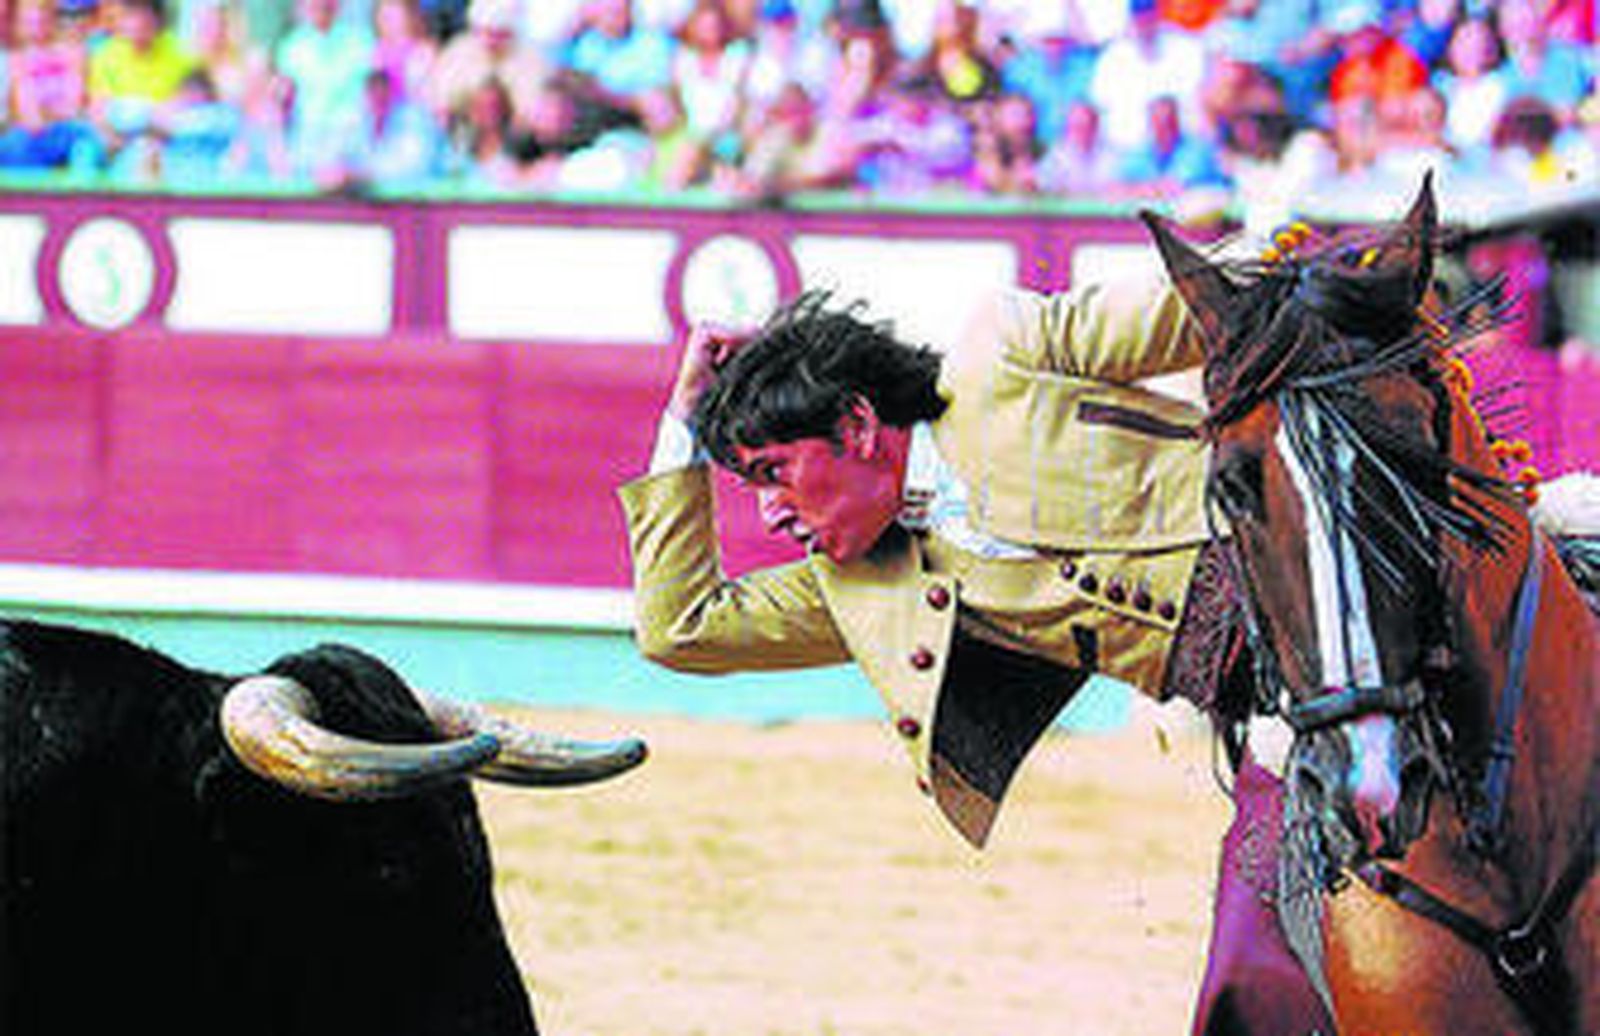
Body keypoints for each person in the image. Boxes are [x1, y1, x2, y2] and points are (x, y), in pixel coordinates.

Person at [619, 251, 1335, 1034]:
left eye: (774, 472)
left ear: (858, 426)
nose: (770, 515)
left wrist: (1332, 258)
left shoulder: (1001, 356)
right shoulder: (866, 586)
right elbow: (677, 624)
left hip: (1359, 592)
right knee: (1244, 991)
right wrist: (684, 418)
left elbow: (1209, 303)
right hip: (1286, 729)